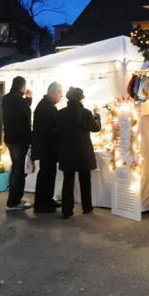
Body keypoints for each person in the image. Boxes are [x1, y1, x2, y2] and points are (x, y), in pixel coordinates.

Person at [55, 87, 101, 219]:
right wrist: (96, 115)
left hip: (66, 150)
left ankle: (67, 211)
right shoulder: (85, 113)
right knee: (85, 180)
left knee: (68, 181)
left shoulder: (61, 113)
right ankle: (87, 207)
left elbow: (57, 131)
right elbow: (96, 128)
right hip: (83, 151)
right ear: (81, 98)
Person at [2, 76, 34, 211]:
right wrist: (31, 140)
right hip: (20, 140)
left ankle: (13, 200)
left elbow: (19, 111)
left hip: (10, 138)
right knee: (19, 171)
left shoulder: (6, 98)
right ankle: (14, 202)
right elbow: (25, 119)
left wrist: (27, 99)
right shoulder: (19, 100)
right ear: (23, 87)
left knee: (16, 169)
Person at [31, 81, 63, 214]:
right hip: (46, 148)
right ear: (52, 93)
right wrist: (59, 131)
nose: (61, 96)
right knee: (45, 175)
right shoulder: (45, 107)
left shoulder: (48, 105)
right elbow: (46, 130)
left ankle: (48, 199)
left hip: (49, 147)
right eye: (59, 93)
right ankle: (40, 204)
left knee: (50, 174)